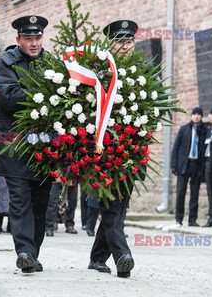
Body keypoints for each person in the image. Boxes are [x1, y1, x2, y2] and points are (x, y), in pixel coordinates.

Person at [0, 15, 52, 273]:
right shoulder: (5, 63)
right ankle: (24, 251)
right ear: (18, 40)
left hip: (47, 144)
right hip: (14, 143)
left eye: (37, 38)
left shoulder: (52, 63)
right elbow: (9, 97)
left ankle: (33, 253)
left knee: (40, 202)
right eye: (28, 38)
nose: (34, 43)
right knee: (19, 200)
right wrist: (47, 93)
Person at [88, 20, 139, 278]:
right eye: (119, 41)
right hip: (103, 149)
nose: (123, 46)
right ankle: (122, 255)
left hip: (130, 150)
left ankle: (97, 258)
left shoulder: (142, 73)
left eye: (127, 41)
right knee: (110, 204)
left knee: (119, 205)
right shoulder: (99, 70)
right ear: (110, 44)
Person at [170, 107, 206, 227]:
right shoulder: (184, 129)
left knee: (195, 193)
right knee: (181, 192)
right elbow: (175, 148)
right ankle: (179, 219)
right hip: (184, 165)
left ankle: (192, 220)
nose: (196, 116)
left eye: (199, 114)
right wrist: (174, 165)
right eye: (194, 114)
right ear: (191, 116)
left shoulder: (204, 131)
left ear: (201, 116)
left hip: (197, 165)